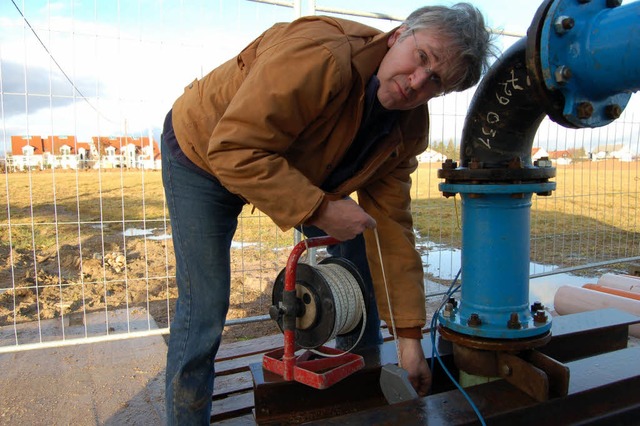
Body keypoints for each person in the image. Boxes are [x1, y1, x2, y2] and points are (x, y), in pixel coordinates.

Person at [161, 3, 494, 424]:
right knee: (205, 305)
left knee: (361, 248)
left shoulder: (406, 130)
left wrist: (409, 339)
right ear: (398, 35)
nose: (416, 82)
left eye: (435, 82)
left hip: (294, 164)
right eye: (422, 57)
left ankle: (362, 397)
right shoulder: (322, 55)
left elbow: (390, 227)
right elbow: (234, 150)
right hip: (205, 153)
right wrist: (319, 207)